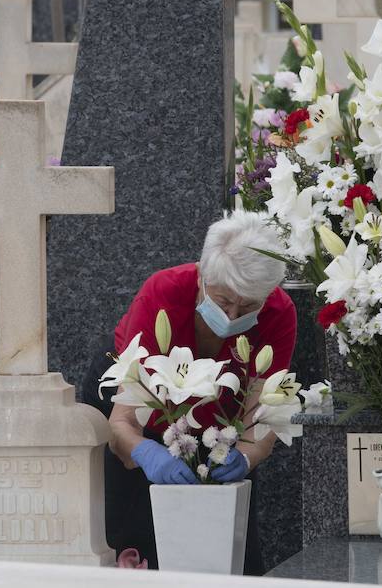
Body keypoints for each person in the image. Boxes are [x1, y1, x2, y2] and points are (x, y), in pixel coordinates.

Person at [83, 212, 295, 574]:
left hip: (221, 429)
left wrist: (244, 457)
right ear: (201, 277)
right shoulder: (164, 292)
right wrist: (147, 453)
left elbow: (261, 421)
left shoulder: (278, 312)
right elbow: (121, 425)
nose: (231, 316)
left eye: (247, 307)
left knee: (229, 552)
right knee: (134, 540)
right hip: (143, 413)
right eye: (223, 300)